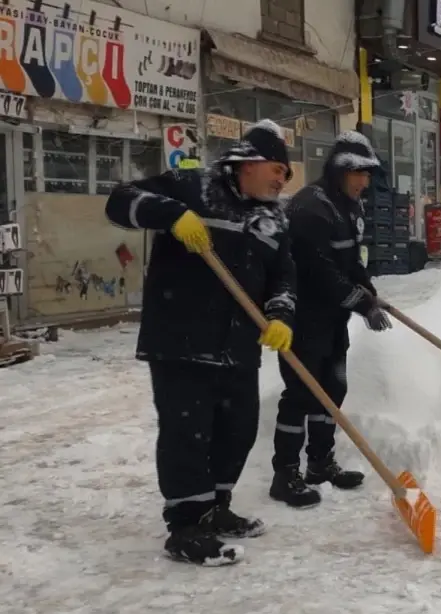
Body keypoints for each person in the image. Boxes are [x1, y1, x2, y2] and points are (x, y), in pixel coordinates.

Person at [104, 120, 296, 567]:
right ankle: (186, 525)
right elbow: (120, 201)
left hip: (238, 344)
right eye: (277, 169)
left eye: (285, 175)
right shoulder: (193, 188)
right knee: (187, 433)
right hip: (182, 339)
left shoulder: (273, 218)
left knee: (238, 429)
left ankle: (214, 506)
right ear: (247, 163)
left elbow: (283, 276)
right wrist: (171, 215)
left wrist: (281, 314)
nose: (281, 180)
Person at [270, 131, 393, 508]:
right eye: (358, 173)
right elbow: (318, 272)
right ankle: (285, 473)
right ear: (340, 171)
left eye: (368, 175)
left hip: (333, 319)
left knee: (332, 390)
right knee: (301, 394)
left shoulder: (348, 206)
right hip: (304, 318)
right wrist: (360, 303)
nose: (364, 182)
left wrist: (368, 292)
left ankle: (320, 463)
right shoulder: (311, 208)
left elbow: (350, 261)